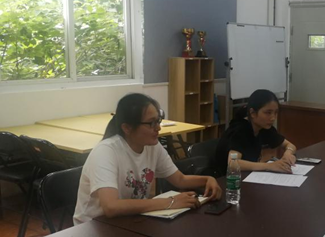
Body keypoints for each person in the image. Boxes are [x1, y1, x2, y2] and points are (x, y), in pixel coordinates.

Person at [73, 93, 222, 225]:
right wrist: (170, 202)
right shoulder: (106, 151)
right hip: (93, 230)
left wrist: (207, 179)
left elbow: (180, 179)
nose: (158, 128)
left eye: (158, 120)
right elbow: (111, 207)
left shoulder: (152, 146)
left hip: (128, 221)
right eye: (151, 123)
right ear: (127, 128)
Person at [215, 89, 297, 174]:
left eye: (275, 112)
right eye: (268, 113)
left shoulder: (264, 127)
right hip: (225, 178)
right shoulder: (240, 130)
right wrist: (269, 166)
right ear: (253, 113)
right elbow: (233, 163)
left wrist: (288, 153)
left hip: (246, 175)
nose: (273, 118)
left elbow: (290, 145)